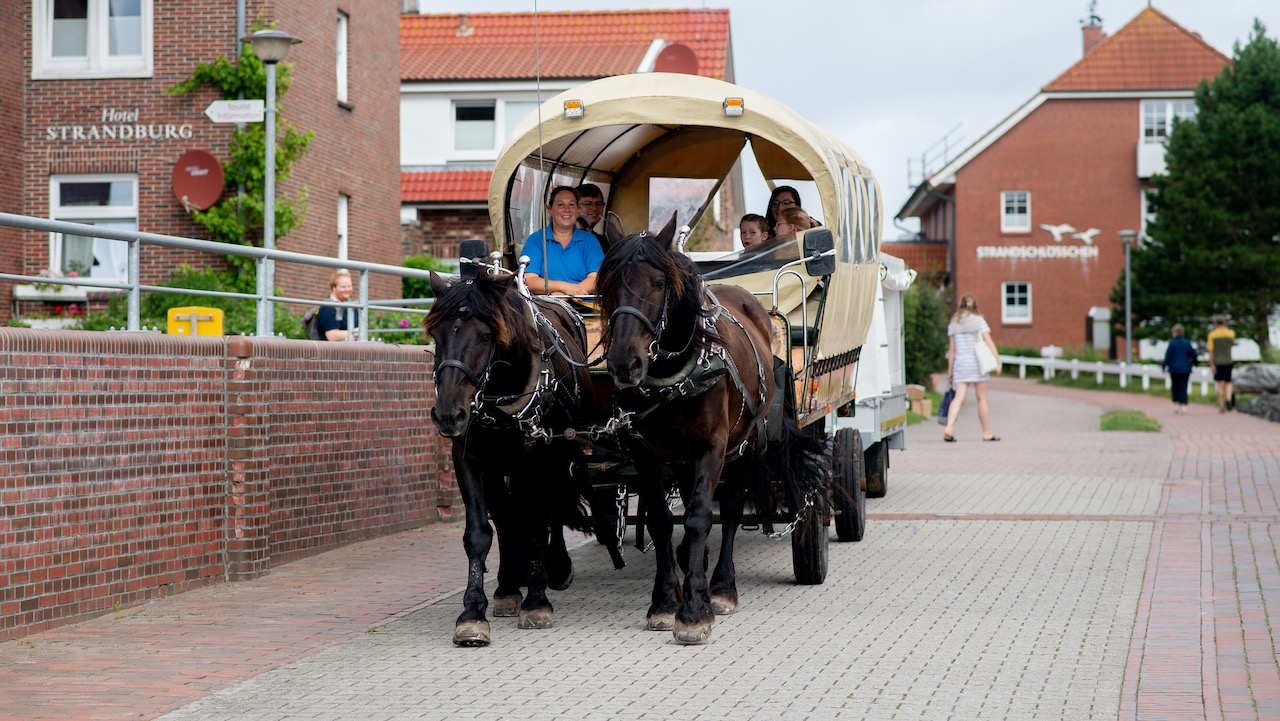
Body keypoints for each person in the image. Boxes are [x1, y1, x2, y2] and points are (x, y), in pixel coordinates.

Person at [520, 185, 604, 296]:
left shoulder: (590, 241)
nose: (567, 210)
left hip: (585, 308)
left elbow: (596, 278)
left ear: (578, 210)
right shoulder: (536, 240)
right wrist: (564, 288)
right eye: (561, 205)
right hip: (546, 307)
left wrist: (570, 295)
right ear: (550, 210)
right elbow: (530, 280)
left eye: (571, 205)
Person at [942, 293, 1001, 442]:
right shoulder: (979, 321)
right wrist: (997, 361)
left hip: (961, 365)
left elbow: (952, 349)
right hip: (977, 365)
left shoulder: (954, 322)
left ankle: (949, 427)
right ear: (975, 306)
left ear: (961, 305)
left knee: (958, 398)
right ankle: (986, 432)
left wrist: (950, 370)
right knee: (981, 398)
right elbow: (989, 342)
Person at [1162, 324, 1197, 414]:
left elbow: (1167, 356)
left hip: (1174, 368)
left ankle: (1176, 404)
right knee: (1183, 387)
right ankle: (1184, 405)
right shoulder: (1187, 343)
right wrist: (1195, 363)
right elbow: (1193, 354)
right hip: (1185, 368)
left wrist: (1163, 366)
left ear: (1174, 332)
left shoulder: (1172, 343)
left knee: (1175, 386)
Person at [318, 268, 360, 341]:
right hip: (332, 351)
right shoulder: (327, 307)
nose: (347, 290)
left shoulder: (352, 307)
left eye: (349, 286)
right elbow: (332, 336)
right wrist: (355, 332)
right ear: (334, 288)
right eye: (343, 287)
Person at [1207, 314, 1236, 412]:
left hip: (1218, 362)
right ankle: (1228, 399)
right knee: (1228, 383)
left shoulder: (1212, 334)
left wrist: (1211, 364)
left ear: (1216, 323)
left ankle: (1221, 406)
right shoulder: (1231, 333)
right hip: (1228, 361)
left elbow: (1210, 350)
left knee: (1220, 384)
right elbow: (1232, 344)